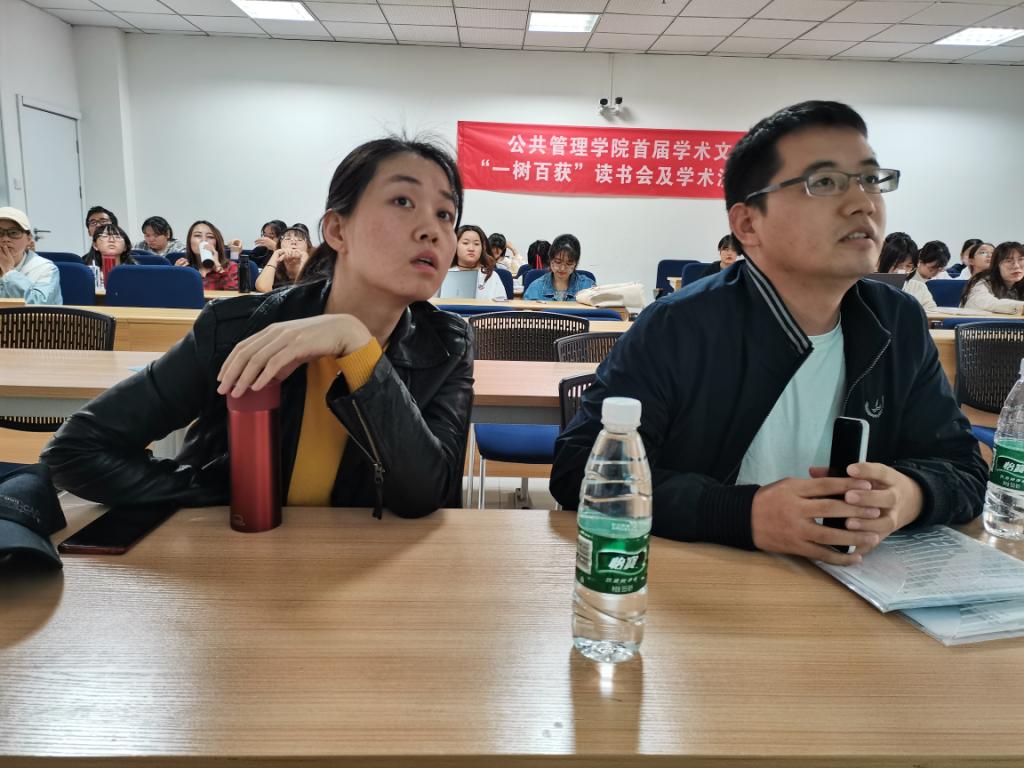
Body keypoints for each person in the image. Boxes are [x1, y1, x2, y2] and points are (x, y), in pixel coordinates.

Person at [551, 100, 985, 566]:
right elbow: (581, 470)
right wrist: (742, 513)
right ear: (748, 224)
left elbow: (964, 468)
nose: (863, 202)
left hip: (857, 587)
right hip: (707, 585)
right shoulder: (678, 325)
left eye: (870, 179)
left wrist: (910, 494)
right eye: (824, 182)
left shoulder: (897, 322)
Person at [42, 136, 473, 517]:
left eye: (445, 214)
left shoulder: (447, 345)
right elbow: (76, 450)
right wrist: (216, 492)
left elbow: (426, 495)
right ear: (337, 229)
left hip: (365, 569)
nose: (432, 230)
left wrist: (356, 345)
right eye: (403, 202)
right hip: (240, 561)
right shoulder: (238, 326)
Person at [0, 206, 62, 304]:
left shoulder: (46, 269)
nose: (5, 239)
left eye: (14, 232)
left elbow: (38, 306)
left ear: (29, 239)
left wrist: (9, 271)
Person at [523, 233, 595, 301]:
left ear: (575, 263)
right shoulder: (535, 288)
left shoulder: (588, 287)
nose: (562, 268)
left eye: (569, 263)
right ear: (550, 260)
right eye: (558, 262)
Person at [876, 231, 936, 313]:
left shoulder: (919, 287)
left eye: (909, 266)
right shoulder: (869, 285)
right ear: (884, 261)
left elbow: (933, 314)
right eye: (897, 265)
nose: (903, 271)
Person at [961, 241, 1024, 314]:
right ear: (996, 265)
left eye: (1021, 259)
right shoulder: (983, 281)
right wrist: (1021, 307)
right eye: (1008, 261)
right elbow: (981, 303)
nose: (1016, 266)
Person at [175, 220, 241, 290]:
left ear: (216, 243)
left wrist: (218, 268)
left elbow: (233, 294)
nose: (204, 240)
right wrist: (176, 275)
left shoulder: (231, 267)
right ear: (189, 241)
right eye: (197, 235)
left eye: (210, 237)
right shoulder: (185, 268)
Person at [451, 224, 506, 300]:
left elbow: (501, 305)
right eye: (465, 243)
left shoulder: (492, 276)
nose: (471, 248)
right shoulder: (443, 275)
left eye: (476, 244)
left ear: (483, 248)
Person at [255, 223, 312, 292]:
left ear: (308, 247)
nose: (293, 242)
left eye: (300, 239)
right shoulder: (275, 264)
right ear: (280, 245)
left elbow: (307, 293)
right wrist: (276, 253)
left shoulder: (316, 266)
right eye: (288, 239)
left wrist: (304, 262)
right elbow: (263, 288)